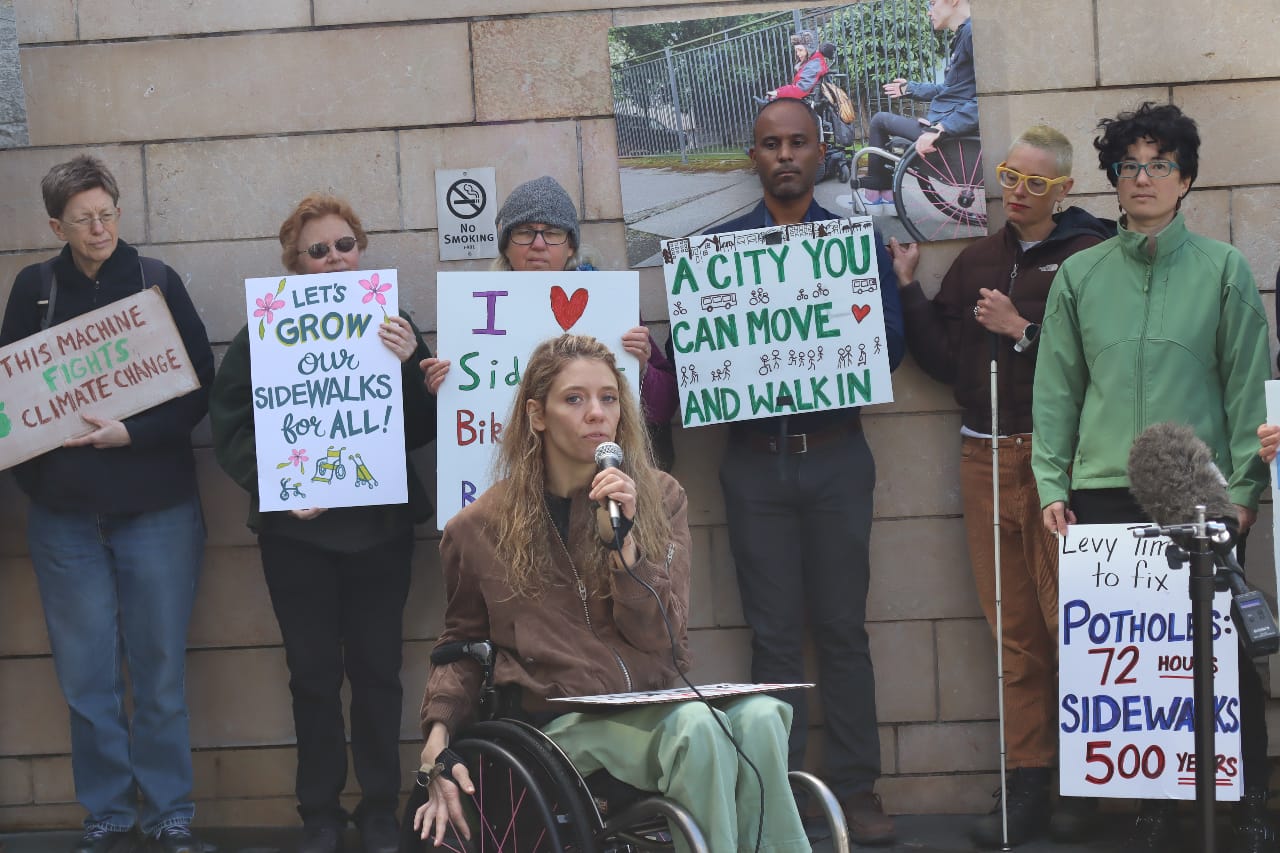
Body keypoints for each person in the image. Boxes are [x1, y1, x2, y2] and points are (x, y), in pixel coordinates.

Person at [413, 334, 809, 853]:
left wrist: (625, 556)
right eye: (574, 399)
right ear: (537, 415)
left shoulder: (660, 498)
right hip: (557, 724)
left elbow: (665, 639)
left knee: (760, 716)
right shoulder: (479, 525)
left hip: (655, 701)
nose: (596, 413)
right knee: (697, 728)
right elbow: (461, 643)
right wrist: (437, 735)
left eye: (608, 398)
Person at [1031, 102, 1276, 853]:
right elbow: (1057, 387)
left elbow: (1245, 388)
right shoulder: (1078, 274)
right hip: (1103, 489)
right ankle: (1156, 803)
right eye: (1130, 165)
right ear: (1112, 179)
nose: (1143, 177)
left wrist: (1242, 496)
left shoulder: (1224, 270)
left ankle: (1251, 797)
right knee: (1133, 661)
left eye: (1159, 164)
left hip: (1194, 490)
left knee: (1221, 650)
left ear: (1186, 178)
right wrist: (1051, 485)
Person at [889, 126, 1111, 847]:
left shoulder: (1091, 254)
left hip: (1057, 462)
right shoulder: (978, 257)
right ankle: (1027, 786)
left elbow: (1102, 364)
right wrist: (909, 288)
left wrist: (1021, 328)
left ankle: (1082, 784)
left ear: (1065, 190)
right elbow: (946, 361)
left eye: (1035, 183)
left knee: (1072, 626)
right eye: (1010, 176)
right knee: (1014, 635)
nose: (1017, 191)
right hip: (983, 457)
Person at [704, 96, 904, 846]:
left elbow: (889, 344)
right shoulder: (718, 251)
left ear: (821, 153)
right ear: (752, 157)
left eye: (798, 142)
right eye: (769, 144)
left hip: (836, 458)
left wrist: (823, 360)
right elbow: (702, 363)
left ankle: (856, 789)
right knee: (773, 637)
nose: (785, 155)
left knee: (844, 630)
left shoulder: (857, 244)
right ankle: (783, 792)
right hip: (754, 466)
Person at [209, 194, 437, 853]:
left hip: (381, 532)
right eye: (319, 249)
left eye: (345, 244)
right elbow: (230, 428)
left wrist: (411, 361)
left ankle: (379, 808)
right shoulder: (262, 334)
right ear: (295, 262)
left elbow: (419, 432)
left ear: (360, 249)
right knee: (310, 673)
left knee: (377, 671)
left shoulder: (396, 326)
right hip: (297, 538)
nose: (335, 258)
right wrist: (278, 487)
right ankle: (319, 811)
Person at [0, 155, 213, 853]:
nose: (100, 227)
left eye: (108, 213)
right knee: (86, 675)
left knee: (158, 671)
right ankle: (109, 815)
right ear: (55, 223)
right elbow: (11, 401)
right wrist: (44, 485)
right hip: (65, 520)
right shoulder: (34, 289)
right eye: (85, 218)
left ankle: (169, 813)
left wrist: (134, 433)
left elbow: (197, 387)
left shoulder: (156, 281)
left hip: (156, 511)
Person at [421, 175, 679, 469]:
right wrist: (442, 386)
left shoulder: (610, 305)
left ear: (571, 246)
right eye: (525, 232)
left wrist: (642, 368)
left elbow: (663, 408)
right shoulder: (476, 313)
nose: (539, 244)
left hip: (597, 478)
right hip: (512, 475)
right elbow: (457, 419)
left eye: (553, 232)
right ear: (506, 246)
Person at [861, 0, 976, 206]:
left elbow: (984, 99)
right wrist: (910, 88)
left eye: (931, 3)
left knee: (879, 120)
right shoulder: (964, 34)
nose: (929, 12)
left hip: (948, 134)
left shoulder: (972, 33)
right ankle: (882, 193)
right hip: (946, 125)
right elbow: (950, 90)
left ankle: (877, 192)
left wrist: (941, 128)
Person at [769, 30, 829, 100]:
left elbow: (800, 89)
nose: (797, 54)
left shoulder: (814, 65)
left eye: (800, 50)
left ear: (809, 50)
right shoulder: (810, 63)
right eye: (796, 51)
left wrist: (778, 93)